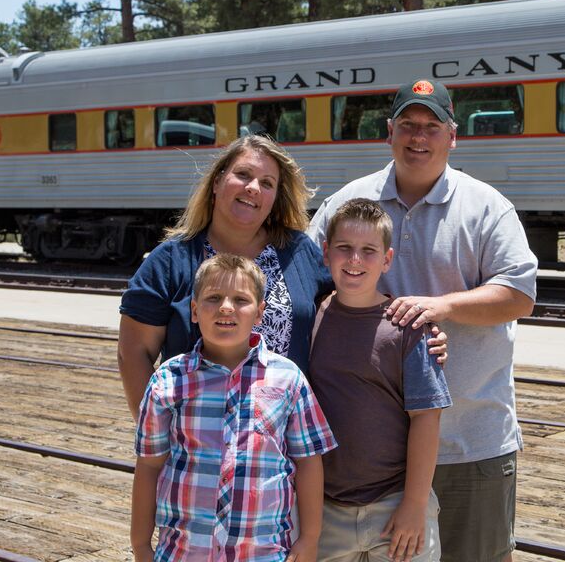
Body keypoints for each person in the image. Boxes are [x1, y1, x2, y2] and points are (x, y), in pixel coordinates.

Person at [308, 80, 538, 562]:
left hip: (468, 439)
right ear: (389, 132)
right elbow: (310, 279)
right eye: (408, 125)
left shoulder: (486, 208)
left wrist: (442, 307)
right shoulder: (348, 202)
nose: (419, 137)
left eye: (432, 127)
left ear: (452, 137)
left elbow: (519, 295)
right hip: (372, 459)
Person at [131, 253, 335, 562]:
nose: (226, 307)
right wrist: (141, 546)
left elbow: (308, 463)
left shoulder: (288, 379)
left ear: (259, 314)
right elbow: (149, 466)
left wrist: (309, 539)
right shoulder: (168, 380)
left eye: (240, 299)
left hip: (263, 554)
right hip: (184, 553)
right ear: (195, 311)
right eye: (214, 298)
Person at [118, 135, 332, 420]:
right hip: (196, 440)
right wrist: (157, 434)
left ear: (275, 199)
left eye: (267, 183)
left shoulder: (299, 252)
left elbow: (349, 301)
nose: (253, 187)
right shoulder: (171, 260)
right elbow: (134, 352)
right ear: (217, 182)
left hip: (283, 439)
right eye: (243, 174)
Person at [310, 199, 450, 562]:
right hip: (324, 508)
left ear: (386, 259)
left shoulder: (408, 328)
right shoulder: (311, 320)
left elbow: (427, 418)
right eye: (344, 248)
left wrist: (415, 504)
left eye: (368, 251)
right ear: (326, 253)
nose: (355, 259)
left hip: (396, 504)